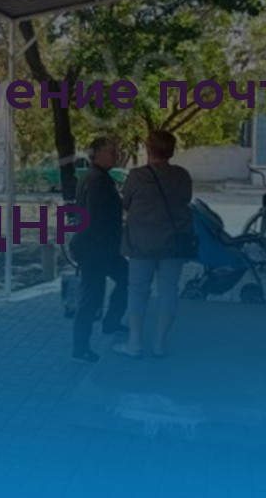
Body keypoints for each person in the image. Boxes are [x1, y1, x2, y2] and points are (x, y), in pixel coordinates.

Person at [115, 130, 193, 359]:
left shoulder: (137, 176)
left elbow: (125, 203)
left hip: (141, 243)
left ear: (148, 149)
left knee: (138, 291)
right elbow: (186, 200)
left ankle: (135, 342)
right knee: (169, 291)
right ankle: (159, 344)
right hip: (173, 243)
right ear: (171, 151)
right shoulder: (182, 175)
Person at [69, 137, 130, 363]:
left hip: (101, 248)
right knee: (92, 297)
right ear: (95, 154)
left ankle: (111, 322)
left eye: (116, 150)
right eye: (110, 151)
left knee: (127, 278)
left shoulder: (96, 177)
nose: (115, 154)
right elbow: (95, 219)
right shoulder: (97, 181)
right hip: (95, 249)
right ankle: (80, 348)